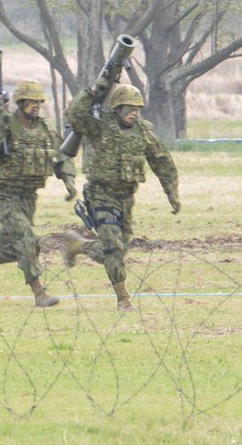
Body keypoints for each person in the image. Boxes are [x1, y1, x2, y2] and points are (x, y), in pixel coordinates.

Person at [61, 81, 180, 311]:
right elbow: (74, 115)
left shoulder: (143, 132)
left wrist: (171, 192)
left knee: (118, 249)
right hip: (100, 195)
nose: (133, 113)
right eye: (129, 108)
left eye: (137, 109)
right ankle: (123, 298)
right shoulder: (100, 126)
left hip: (126, 199)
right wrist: (92, 91)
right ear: (117, 108)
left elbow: (162, 161)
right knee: (114, 247)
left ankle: (79, 245)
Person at [0, 80, 76, 307]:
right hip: (6, 196)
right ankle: (39, 293)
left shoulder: (43, 129)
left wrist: (69, 180)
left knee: (13, 250)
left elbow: (61, 157)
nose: (36, 106)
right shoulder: (5, 123)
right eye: (31, 102)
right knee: (27, 241)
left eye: (39, 102)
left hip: (29, 197)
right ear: (20, 102)